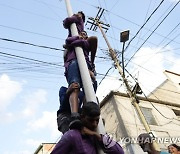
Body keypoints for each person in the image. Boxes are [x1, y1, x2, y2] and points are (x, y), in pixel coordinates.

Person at [51, 102, 124, 154]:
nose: (95, 124)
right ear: (82, 117)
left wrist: (97, 136)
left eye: (97, 120)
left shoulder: (100, 136)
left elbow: (120, 152)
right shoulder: (72, 136)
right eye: (91, 120)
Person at [63, 31, 97, 130]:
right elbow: (68, 41)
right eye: (81, 33)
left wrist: (92, 64)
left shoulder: (86, 44)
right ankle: (74, 115)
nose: (83, 34)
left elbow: (94, 39)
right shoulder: (72, 43)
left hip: (87, 64)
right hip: (72, 63)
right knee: (75, 86)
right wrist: (77, 39)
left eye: (85, 33)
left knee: (90, 88)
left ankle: (89, 115)